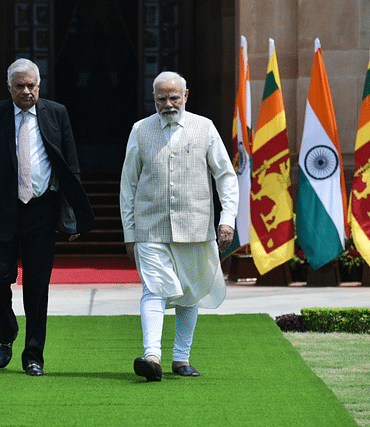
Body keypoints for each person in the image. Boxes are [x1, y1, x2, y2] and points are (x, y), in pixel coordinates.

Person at [0, 58, 94, 376]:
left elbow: (70, 165)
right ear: (9, 87)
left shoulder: (56, 113)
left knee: (37, 284)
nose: (26, 91)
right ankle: (7, 330)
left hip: (41, 209)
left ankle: (33, 354)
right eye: (20, 85)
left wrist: (73, 211)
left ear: (39, 86)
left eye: (31, 85)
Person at [120, 71, 238, 382]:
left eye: (174, 97)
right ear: (153, 98)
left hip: (196, 226)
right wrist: (130, 233)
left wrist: (227, 219)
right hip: (150, 227)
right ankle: (152, 355)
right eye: (162, 99)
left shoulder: (205, 127)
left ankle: (181, 358)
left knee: (190, 293)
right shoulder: (140, 130)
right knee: (154, 289)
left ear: (186, 95)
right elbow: (128, 184)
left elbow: (225, 176)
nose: (169, 104)